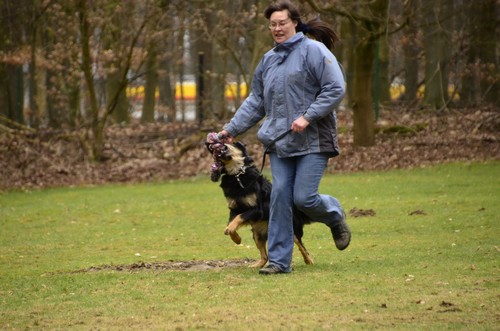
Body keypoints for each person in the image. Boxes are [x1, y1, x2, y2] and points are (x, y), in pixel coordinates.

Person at [219, 0, 350, 275]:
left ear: (294, 23)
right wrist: (231, 130)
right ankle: (279, 262)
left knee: (303, 198)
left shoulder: (314, 51)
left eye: (282, 23)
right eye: (273, 24)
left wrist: (308, 116)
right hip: (280, 141)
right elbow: (256, 101)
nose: (277, 28)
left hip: (313, 140)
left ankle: (335, 215)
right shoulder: (268, 60)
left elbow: (335, 87)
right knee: (279, 196)